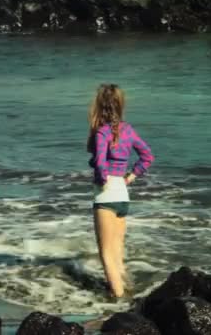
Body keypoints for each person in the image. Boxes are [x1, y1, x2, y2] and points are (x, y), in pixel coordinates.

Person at [87, 84, 154, 298]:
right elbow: (147, 156)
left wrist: (102, 179)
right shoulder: (128, 130)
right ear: (120, 105)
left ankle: (117, 302)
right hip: (122, 195)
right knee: (117, 255)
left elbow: (99, 162)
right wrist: (132, 176)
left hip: (106, 194)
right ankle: (128, 296)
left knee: (106, 254)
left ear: (99, 105)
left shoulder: (102, 132)